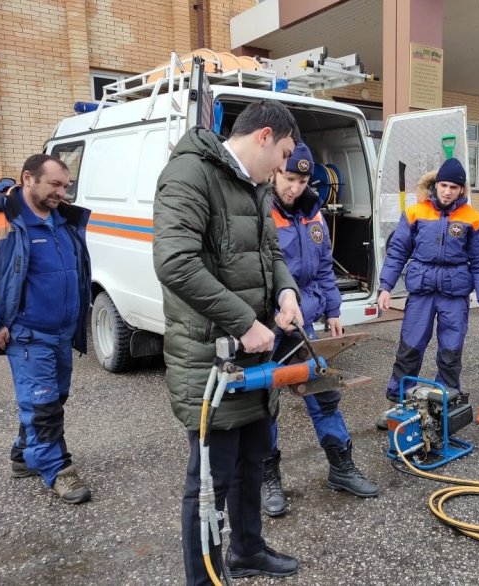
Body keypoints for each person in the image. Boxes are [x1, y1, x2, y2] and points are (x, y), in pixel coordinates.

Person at [153, 100, 304, 584]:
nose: (283, 168)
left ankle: (247, 551)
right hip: (210, 358)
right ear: (263, 136)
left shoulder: (254, 185)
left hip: (254, 359)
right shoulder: (190, 174)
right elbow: (175, 262)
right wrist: (243, 322)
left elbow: (270, 250)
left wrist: (286, 292)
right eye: (282, 153)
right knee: (209, 481)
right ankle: (203, 578)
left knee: (251, 462)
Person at [0, 154, 92, 504]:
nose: (62, 192)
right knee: (43, 403)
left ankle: (23, 456)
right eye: (55, 185)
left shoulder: (62, 218)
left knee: (53, 398)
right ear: (28, 179)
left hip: (61, 332)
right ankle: (57, 469)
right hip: (26, 334)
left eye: (65, 185)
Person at [261, 143, 378, 517]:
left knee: (324, 392)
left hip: (306, 322)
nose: (294, 188)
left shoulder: (313, 215)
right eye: (288, 178)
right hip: (269, 324)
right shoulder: (260, 211)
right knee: (265, 403)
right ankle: (267, 478)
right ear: (275, 172)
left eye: (301, 180)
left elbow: (325, 267)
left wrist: (333, 309)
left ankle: (341, 468)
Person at [376, 158, 479, 427]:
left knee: (451, 352)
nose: (447, 191)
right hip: (421, 291)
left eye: (454, 187)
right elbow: (397, 252)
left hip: (454, 294)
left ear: (462, 190)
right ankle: (400, 406)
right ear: (435, 184)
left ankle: (443, 406)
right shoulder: (415, 213)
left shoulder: (474, 219)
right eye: (443, 185)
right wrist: (385, 286)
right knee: (409, 348)